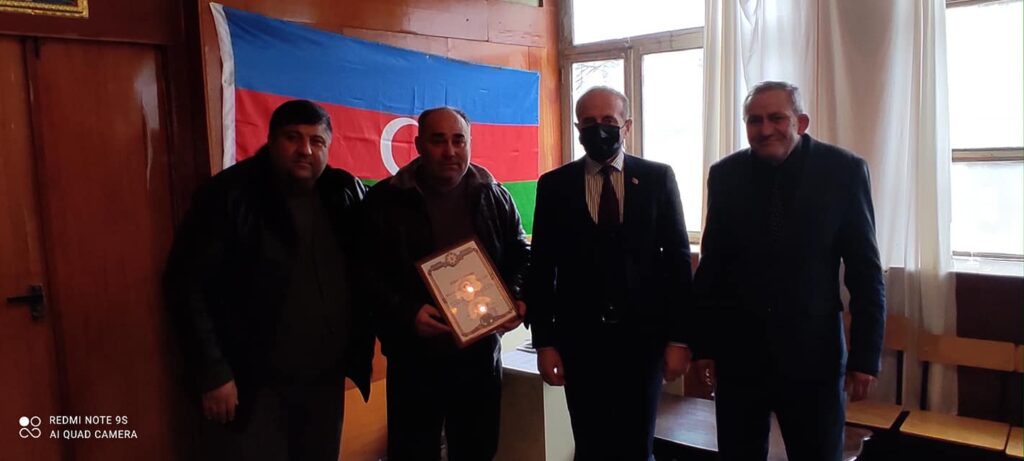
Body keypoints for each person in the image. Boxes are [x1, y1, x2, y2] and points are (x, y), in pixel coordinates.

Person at [164, 100, 373, 461]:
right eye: (293, 137)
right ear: (272, 141)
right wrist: (213, 373)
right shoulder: (228, 195)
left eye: (316, 141)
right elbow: (186, 286)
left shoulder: (343, 193)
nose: (305, 149)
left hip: (324, 380)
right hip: (253, 382)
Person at [692, 80, 885, 461]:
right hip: (740, 357)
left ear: (801, 121)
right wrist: (703, 346)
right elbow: (712, 268)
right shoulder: (726, 175)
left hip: (814, 358)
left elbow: (865, 271)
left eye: (776, 118)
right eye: (754, 120)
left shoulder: (843, 171)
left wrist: (865, 357)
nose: (765, 129)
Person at [526, 86, 694, 460]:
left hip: (643, 341)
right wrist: (544, 342)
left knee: (637, 446)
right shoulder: (554, 185)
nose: (598, 128)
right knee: (590, 445)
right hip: (579, 341)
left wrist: (680, 339)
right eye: (588, 121)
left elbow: (678, 262)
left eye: (608, 120)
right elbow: (542, 266)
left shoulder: (657, 178)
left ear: (627, 125)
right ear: (577, 128)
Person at [362, 106, 529, 460]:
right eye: (438, 141)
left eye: (458, 140)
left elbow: (520, 254)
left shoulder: (494, 194)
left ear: (469, 143)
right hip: (414, 356)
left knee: (477, 449)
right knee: (413, 451)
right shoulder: (385, 200)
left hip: (479, 355)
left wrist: (514, 296)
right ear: (418, 144)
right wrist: (407, 313)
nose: (450, 151)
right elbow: (365, 272)